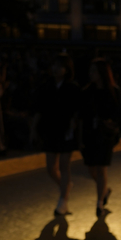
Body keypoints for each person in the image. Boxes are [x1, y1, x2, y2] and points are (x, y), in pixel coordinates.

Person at [80, 58, 121, 217]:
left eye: (94, 70)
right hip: (90, 134)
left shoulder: (114, 91)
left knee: (101, 168)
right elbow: (82, 116)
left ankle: (99, 203)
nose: (91, 73)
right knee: (91, 168)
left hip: (106, 135)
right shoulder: (87, 92)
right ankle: (105, 190)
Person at [36, 54, 80, 216]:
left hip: (66, 130)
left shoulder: (72, 87)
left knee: (64, 165)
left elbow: (76, 110)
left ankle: (63, 200)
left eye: (59, 66)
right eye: (54, 65)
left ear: (67, 69)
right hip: (50, 129)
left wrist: (74, 125)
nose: (55, 69)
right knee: (50, 167)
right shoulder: (47, 86)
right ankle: (65, 186)